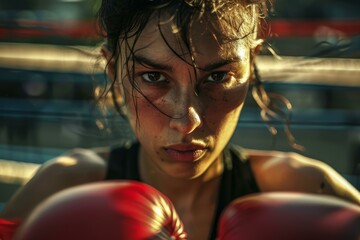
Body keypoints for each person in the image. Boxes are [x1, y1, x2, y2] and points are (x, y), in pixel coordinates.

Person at [1, 0, 360, 239]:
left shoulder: (308, 189)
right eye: (154, 77)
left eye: (218, 77)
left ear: (251, 65)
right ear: (115, 72)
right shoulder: (60, 188)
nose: (187, 120)